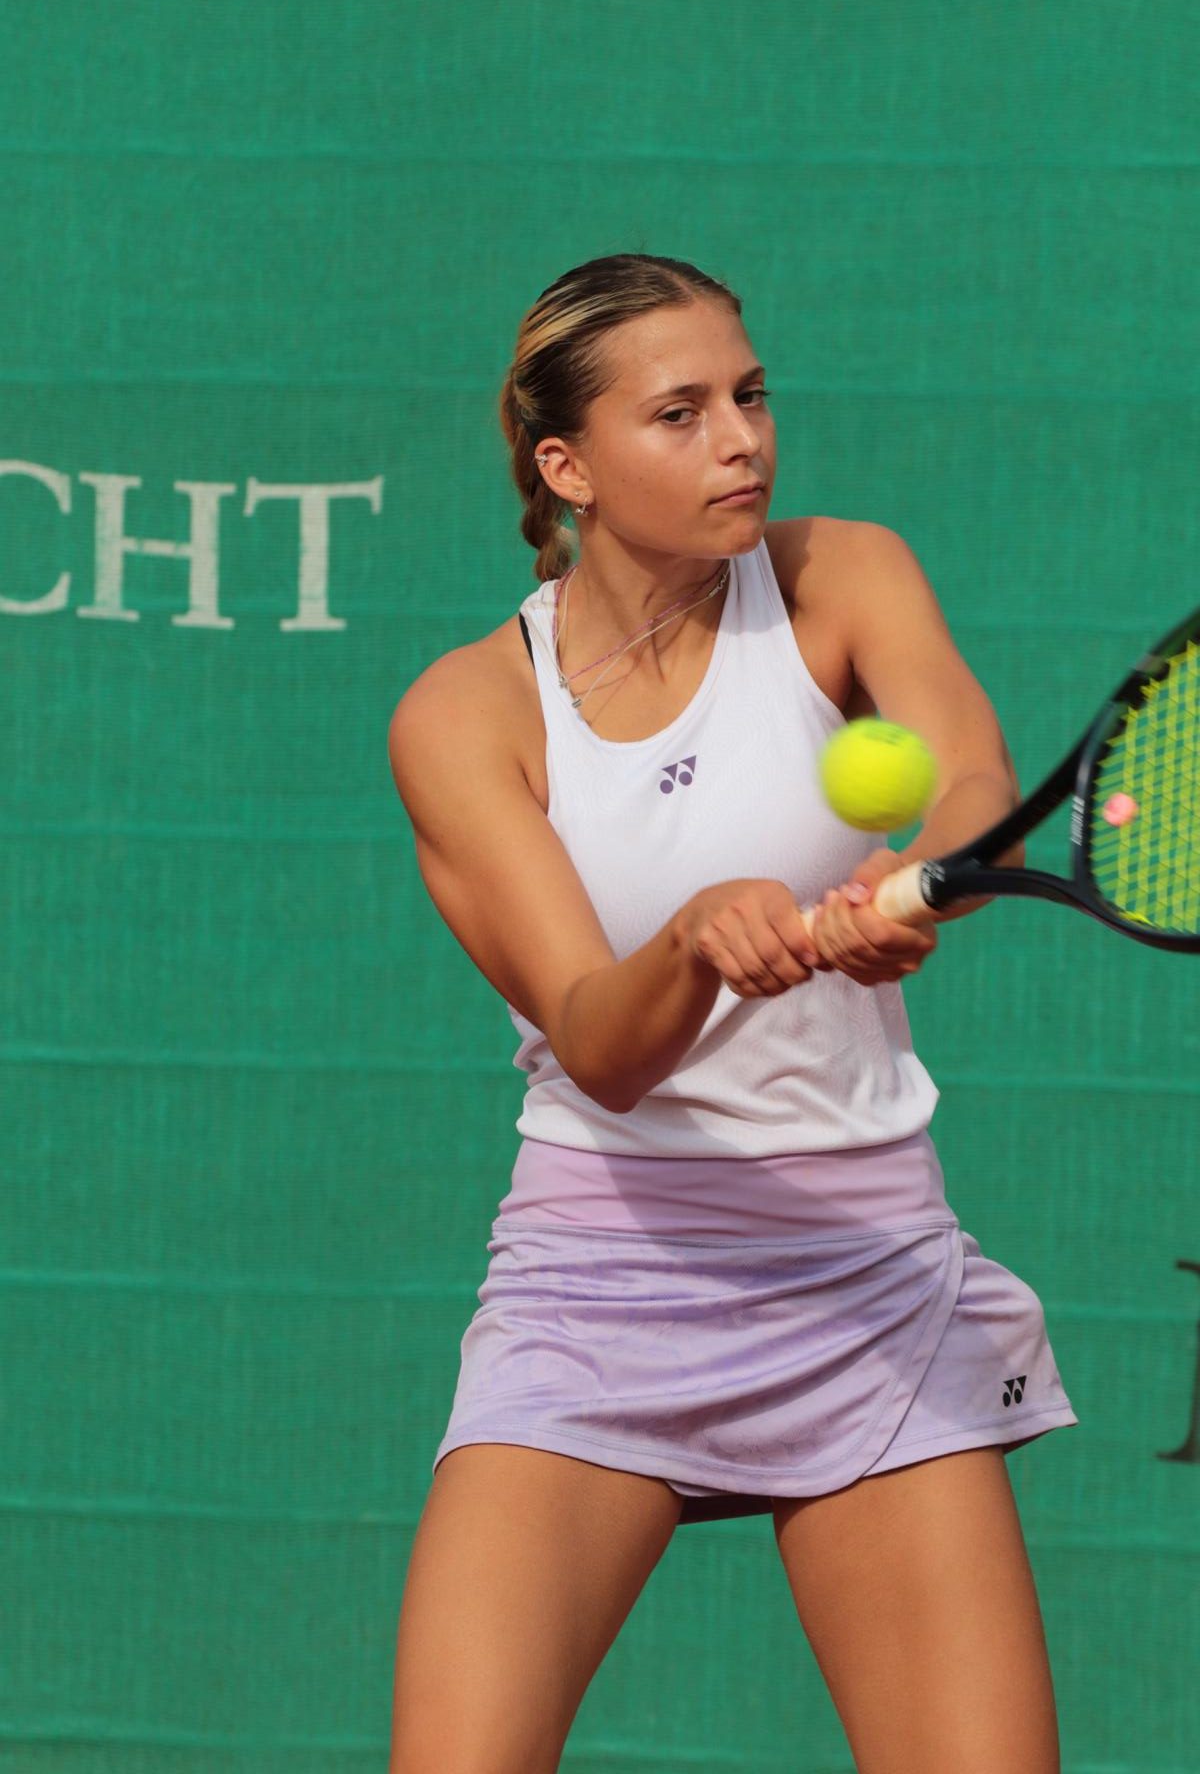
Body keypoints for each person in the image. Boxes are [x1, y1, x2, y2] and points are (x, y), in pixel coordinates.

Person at [384, 252, 1078, 1774]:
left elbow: (974, 777)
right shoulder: (466, 715)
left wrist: (921, 878)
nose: (742, 441)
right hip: (598, 1286)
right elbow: (601, 1045)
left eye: (750, 397)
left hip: (864, 1274)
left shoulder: (847, 575)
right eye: (680, 413)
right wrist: (697, 941)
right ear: (566, 467)